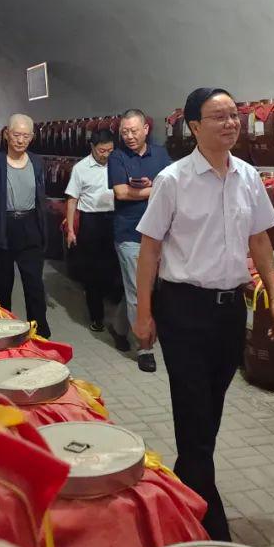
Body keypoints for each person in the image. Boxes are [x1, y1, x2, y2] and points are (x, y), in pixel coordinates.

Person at [134, 87, 274, 542]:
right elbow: (150, 250)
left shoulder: (248, 177)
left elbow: (260, 240)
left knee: (209, 410)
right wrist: (143, 313)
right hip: (182, 308)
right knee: (193, 408)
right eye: (218, 116)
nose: (230, 123)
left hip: (229, 309)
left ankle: (183, 492)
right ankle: (211, 525)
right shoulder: (173, 180)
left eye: (233, 115)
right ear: (195, 126)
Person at [0, 114, 51, 336]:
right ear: (7, 134)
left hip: (30, 226)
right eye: (16, 135)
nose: (20, 140)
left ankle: (39, 333)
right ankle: (4, 330)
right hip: (2, 227)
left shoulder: (36, 162)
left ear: (32, 137)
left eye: (26, 136)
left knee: (34, 285)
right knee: (1, 285)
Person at [107, 108, 169, 371]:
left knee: (141, 287)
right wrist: (155, 189)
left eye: (133, 131)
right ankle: (144, 347)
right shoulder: (117, 157)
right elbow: (121, 193)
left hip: (159, 234)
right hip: (129, 233)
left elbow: (173, 189)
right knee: (137, 288)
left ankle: (119, 326)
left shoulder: (161, 155)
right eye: (124, 132)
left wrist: (144, 189)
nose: (129, 136)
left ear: (146, 129)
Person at [65, 128, 120, 332]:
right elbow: (72, 200)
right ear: (92, 147)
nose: (106, 155)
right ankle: (96, 317)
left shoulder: (118, 163)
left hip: (115, 219)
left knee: (113, 268)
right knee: (92, 271)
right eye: (102, 151)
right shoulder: (80, 168)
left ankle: (117, 314)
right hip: (91, 222)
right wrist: (71, 230)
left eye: (110, 150)